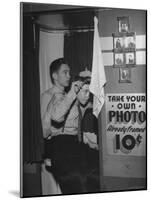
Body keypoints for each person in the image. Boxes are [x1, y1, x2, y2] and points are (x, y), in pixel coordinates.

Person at [41, 58, 98, 194]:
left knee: (91, 177)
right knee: (78, 186)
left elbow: (83, 110)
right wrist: (48, 153)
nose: (68, 76)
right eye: (65, 72)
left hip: (73, 144)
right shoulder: (49, 96)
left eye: (69, 73)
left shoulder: (69, 96)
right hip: (60, 147)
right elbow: (47, 128)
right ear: (55, 76)